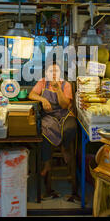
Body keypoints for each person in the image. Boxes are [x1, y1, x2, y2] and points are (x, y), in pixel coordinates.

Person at [28, 62, 79, 201]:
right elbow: (31, 94)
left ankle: (64, 147)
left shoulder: (65, 85)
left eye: (56, 71)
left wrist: (58, 90)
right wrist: (43, 99)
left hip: (64, 115)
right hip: (49, 116)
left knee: (71, 128)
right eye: (51, 71)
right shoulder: (42, 83)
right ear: (47, 74)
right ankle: (47, 162)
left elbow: (64, 105)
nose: (54, 74)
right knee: (43, 131)